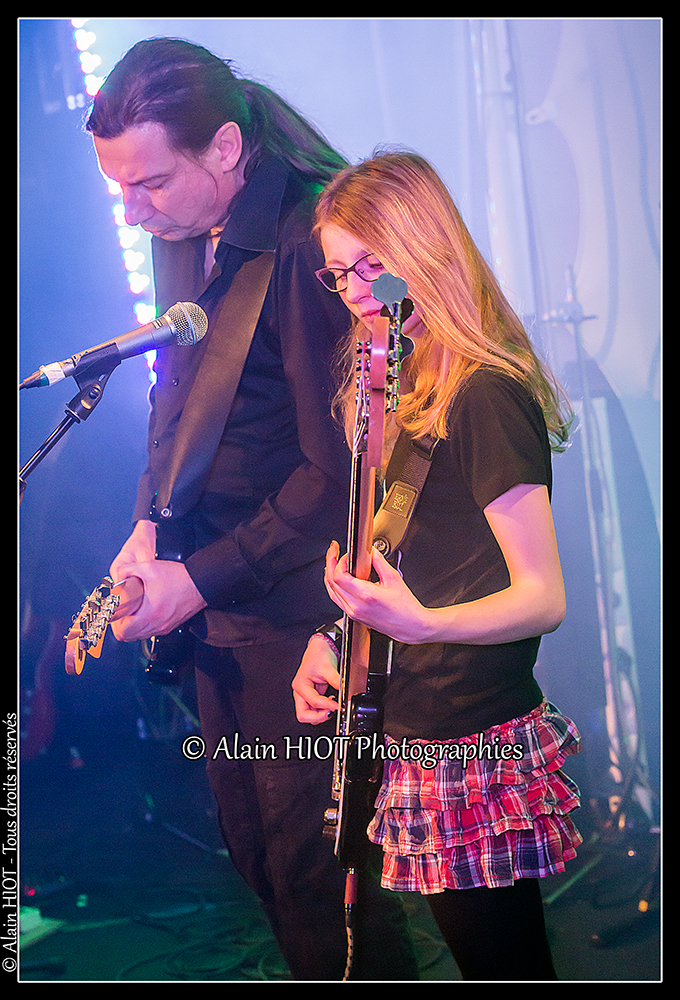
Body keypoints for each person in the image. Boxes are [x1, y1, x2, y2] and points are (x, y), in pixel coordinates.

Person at [85, 38, 418, 981]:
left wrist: (198, 579)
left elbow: (343, 468)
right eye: (120, 187)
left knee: (324, 885)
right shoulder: (183, 232)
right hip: (218, 605)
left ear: (226, 147)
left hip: (302, 614)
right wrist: (148, 525)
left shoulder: (314, 242)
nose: (133, 209)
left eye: (149, 183)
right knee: (259, 861)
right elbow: (174, 395)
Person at [292, 151, 583, 981]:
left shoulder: (483, 393)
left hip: (470, 734)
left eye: (370, 265)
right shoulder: (402, 384)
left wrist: (420, 624)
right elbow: (409, 556)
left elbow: (543, 597)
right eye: (338, 273)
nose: (354, 290)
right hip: (413, 716)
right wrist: (335, 635)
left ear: (424, 249)